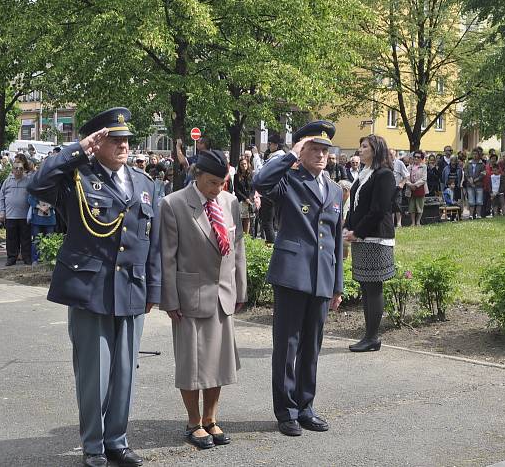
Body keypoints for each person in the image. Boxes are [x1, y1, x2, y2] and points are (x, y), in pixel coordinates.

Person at [28, 107, 160, 467]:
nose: (123, 145)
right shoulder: (76, 178)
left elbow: (154, 242)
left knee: (125, 372)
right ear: (97, 142)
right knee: (94, 372)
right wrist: (76, 149)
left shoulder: (145, 184)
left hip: (131, 288)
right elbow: (35, 184)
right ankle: (93, 444)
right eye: (113, 139)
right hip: (91, 287)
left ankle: (117, 439)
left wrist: (154, 290)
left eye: (126, 140)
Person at [253, 120, 343, 438]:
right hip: (292, 276)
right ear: (302, 151)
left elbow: (336, 241)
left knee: (312, 346)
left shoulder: (334, 189)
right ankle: (286, 410)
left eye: (324, 150)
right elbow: (260, 181)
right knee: (287, 346)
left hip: (322, 278)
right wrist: (289, 154)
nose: (320, 154)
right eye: (313, 149)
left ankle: (306, 406)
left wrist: (337, 285)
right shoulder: (289, 180)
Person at [159, 149, 247, 450]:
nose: (217, 189)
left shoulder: (230, 202)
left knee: (219, 364)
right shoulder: (174, 204)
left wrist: (240, 288)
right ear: (196, 175)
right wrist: (169, 300)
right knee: (192, 364)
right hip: (189, 297)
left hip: (223, 295)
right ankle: (193, 422)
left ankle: (211, 418)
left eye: (222, 182)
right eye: (211, 182)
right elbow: (167, 258)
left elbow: (237, 249)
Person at [345, 134, 396, 351]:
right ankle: (369, 335)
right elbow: (355, 205)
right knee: (366, 286)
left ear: (375, 150)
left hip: (375, 237)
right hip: (361, 237)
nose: (360, 149)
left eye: (364, 146)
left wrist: (358, 231)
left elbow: (378, 210)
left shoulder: (384, 175)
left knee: (373, 287)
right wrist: (348, 227)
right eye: (360, 146)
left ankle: (372, 337)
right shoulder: (364, 174)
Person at [0, 160, 32, 266]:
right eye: (16, 168)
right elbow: (1, 197)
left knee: (25, 238)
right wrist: (2, 212)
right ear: (12, 170)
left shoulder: (28, 181)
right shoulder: (7, 182)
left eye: (21, 168)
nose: (18, 170)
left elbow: (33, 196)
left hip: (24, 216)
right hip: (10, 215)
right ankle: (12, 258)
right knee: (11, 239)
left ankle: (27, 258)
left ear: (23, 170)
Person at [28, 193, 56, 263]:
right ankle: (35, 259)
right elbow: (30, 199)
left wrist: (48, 206)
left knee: (50, 240)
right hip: (36, 220)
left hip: (50, 221)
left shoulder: (52, 187)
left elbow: (57, 200)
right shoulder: (35, 185)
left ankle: (49, 259)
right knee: (36, 241)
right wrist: (39, 207)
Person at [404, 149, 427, 226]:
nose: (416, 158)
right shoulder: (408, 168)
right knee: (411, 206)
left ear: (421, 159)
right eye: (415, 157)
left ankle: (418, 222)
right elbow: (405, 178)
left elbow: (424, 178)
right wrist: (410, 185)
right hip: (410, 189)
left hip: (420, 188)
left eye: (418, 157)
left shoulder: (424, 167)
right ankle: (413, 222)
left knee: (419, 206)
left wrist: (415, 185)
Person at [234, 156, 255, 234]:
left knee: (247, 220)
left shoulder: (251, 175)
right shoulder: (236, 176)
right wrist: (245, 199)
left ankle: (246, 238)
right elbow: (236, 190)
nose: (244, 166)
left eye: (245, 164)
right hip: (241, 200)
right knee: (240, 220)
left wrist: (250, 198)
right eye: (242, 164)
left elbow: (253, 188)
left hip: (249, 201)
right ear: (239, 165)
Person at [464, 148, 486, 219]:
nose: (475, 155)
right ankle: (471, 215)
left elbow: (483, 173)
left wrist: (476, 179)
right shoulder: (468, 163)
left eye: (476, 154)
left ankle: (478, 215)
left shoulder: (482, 164)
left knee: (479, 201)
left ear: (479, 155)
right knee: (471, 201)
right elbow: (466, 172)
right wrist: (469, 179)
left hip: (479, 185)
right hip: (470, 185)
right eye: (473, 154)